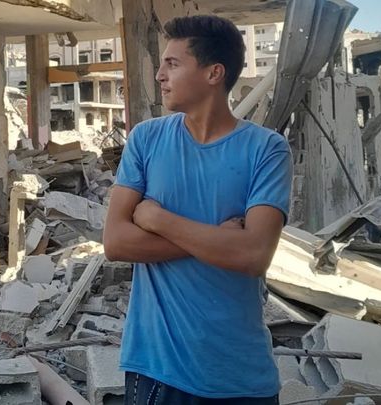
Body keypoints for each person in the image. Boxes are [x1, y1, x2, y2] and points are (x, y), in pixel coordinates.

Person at [103, 14, 293, 405]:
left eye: (172, 64)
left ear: (213, 73)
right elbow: (116, 242)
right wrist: (219, 240)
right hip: (158, 368)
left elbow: (254, 255)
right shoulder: (146, 139)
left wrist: (158, 219)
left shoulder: (267, 149)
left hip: (240, 375)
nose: (160, 75)